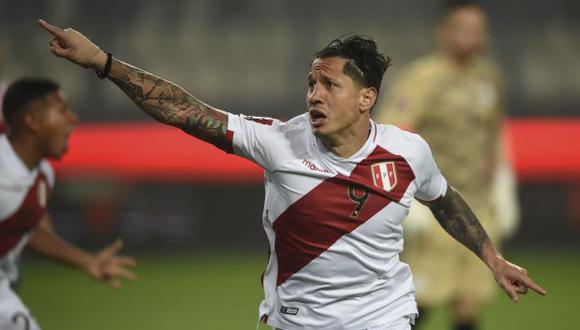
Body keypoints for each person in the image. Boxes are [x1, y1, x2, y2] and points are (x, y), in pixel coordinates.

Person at [38, 19, 545, 330]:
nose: (313, 94)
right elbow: (181, 109)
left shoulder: (407, 152)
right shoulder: (278, 141)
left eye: (328, 84)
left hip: (384, 318)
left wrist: (491, 257)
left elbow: (444, 198)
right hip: (300, 322)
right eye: (310, 83)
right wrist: (103, 62)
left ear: (366, 98)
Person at [375, 1, 520, 329]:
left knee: (469, 303)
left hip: (478, 206)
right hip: (437, 205)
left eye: (478, 29)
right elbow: (390, 134)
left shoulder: (489, 79)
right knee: (418, 302)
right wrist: (409, 200)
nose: (473, 36)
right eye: (465, 28)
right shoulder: (423, 78)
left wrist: (504, 183)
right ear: (445, 32)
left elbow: (496, 134)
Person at [0, 78, 137, 330]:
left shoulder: (41, 174)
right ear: (32, 120)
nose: (72, 120)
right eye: (62, 110)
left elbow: (28, 231)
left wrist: (87, 261)